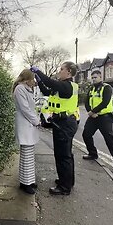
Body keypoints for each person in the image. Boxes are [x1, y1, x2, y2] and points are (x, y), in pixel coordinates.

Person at [31, 62, 78, 195]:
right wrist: (39, 81)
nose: (59, 71)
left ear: (69, 72)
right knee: (65, 154)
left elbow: (51, 83)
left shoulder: (66, 86)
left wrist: (38, 72)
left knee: (63, 155)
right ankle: (67, 180)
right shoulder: (63, 87)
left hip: (65, 123)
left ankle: (64, 187)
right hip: (63, 122)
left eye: (62, 69)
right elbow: (47, 91)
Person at [82, 70, 113, 173]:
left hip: (105, 117)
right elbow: (86, 101)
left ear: (101, 77)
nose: (93, 79)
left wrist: (93, 111)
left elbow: (105, 102)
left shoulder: (106, 88)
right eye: (92, 78)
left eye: (95, 77)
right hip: (93, 117)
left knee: (109, 139)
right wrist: (90, 112)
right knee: (86, 134)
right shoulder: (91, 88)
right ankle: (92, 153)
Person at [13, 69, 41, 194]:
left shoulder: (26, 89)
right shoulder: (20, 89)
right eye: (32, 79)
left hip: (28, 124)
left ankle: (28, 181)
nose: (34, 81)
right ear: (27, 79)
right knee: (26, 156)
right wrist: (36, 121)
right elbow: (25, 109)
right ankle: (25, 183)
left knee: (28, 155)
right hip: (25, 124)